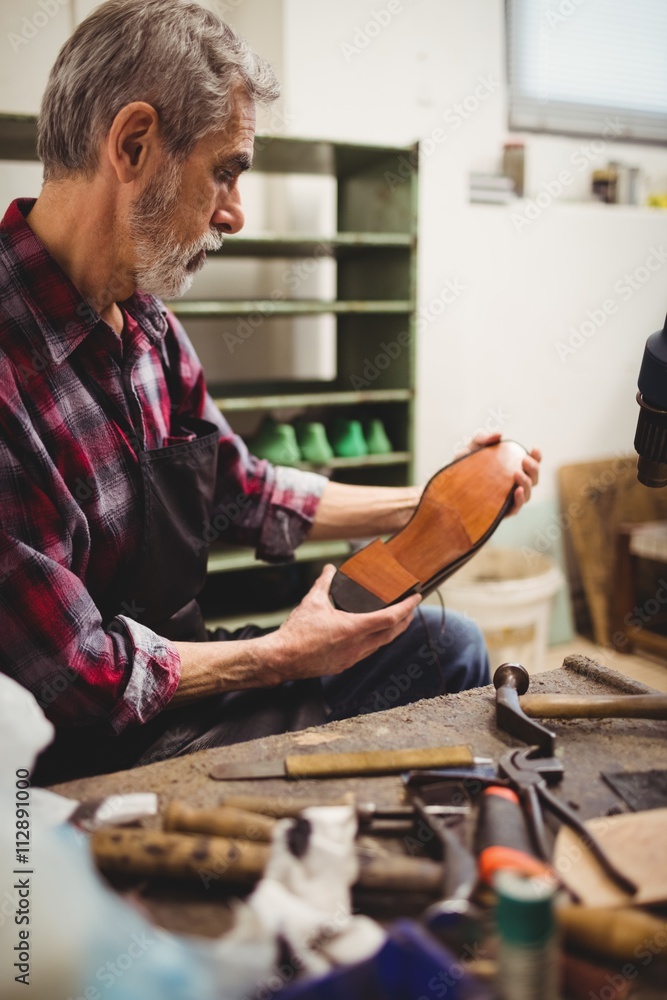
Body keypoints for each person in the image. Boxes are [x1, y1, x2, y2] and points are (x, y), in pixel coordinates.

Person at [0, 0, 540, 783]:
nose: (237, 213)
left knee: (442, 645)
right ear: (134, 143)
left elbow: (240, 489)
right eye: (225, 171)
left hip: (170, 682)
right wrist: (282, 656)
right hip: (71, 749)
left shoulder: (144, 322)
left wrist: (428, 504)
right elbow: (78, 675)